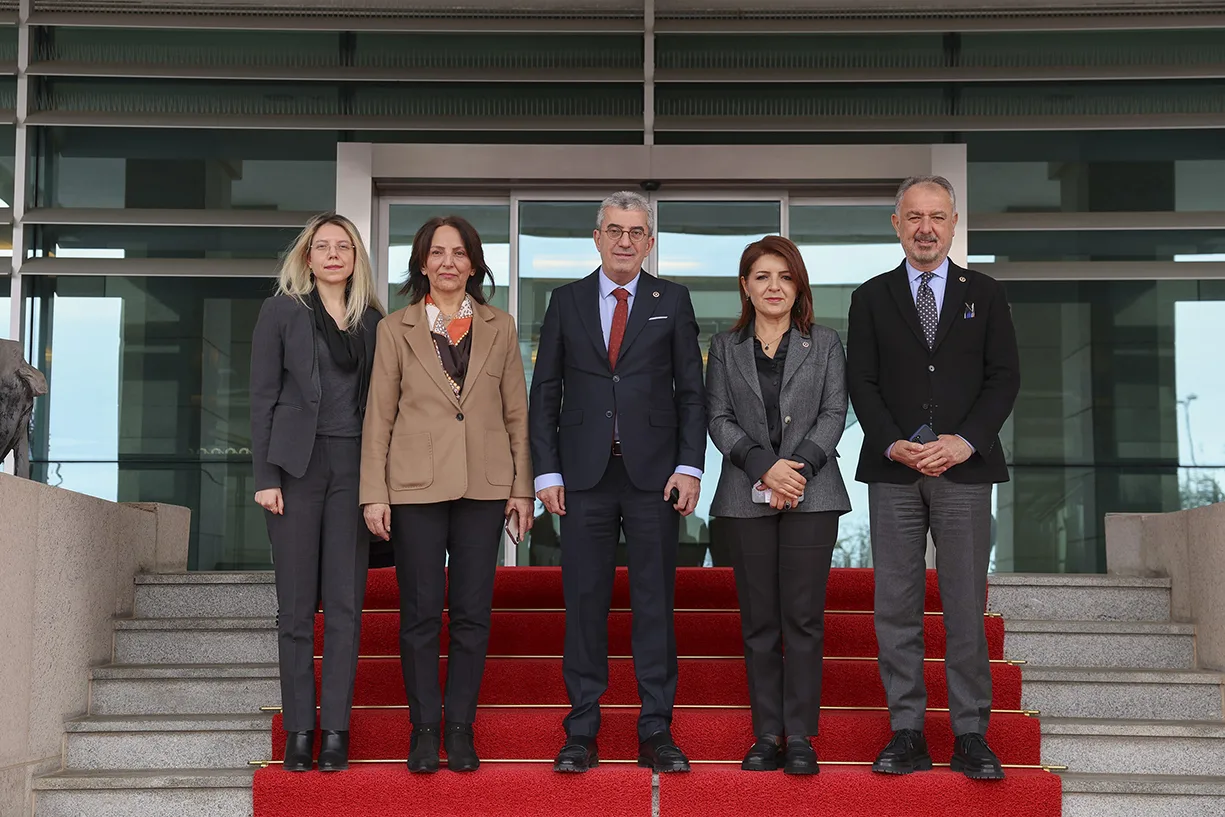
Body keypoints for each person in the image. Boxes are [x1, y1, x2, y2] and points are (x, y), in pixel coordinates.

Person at [846, 176, 1020, 780]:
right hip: (893, 469)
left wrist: (964, 442)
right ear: (897, 225)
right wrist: (890, 440)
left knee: (965, 603)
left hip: (964, 469)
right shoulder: (870, 297)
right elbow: (861, 380)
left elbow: (1004, 378)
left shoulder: (986, 294)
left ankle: (971, 734)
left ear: (953, 224)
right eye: (914, 217)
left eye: (937, 217)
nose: (926, 228)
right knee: (895, 605)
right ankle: (908, 731)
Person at [529, 191, 706, 774]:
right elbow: (545, 392)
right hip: (583, 477)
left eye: (635, 232)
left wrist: (690, 465)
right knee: (585, 603)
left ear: (649, 242)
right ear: (597, 237)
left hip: (655, 478)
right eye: (614, 230)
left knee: (654, 603)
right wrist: (546, 470)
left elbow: (691, 392)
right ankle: (582, 729)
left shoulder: (672, 300)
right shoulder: (566, 301)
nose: (624, 241)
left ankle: (656, 727)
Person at [360, 215, 534, 774]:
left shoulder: (500, 326)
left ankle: (460, 728)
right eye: (438, 252)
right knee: (418, 612)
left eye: (459, 253)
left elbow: (516, 412)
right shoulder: (396, 329)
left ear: (474, 264)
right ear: (421, 262)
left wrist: (522, 488)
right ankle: (423, 729)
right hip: (414, 486)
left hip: (485, 484)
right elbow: (379, 417)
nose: (448, 262)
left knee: (471, 613)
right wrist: (374, 492)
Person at [706, 235, 852, 775]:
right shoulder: (725, 347)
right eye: (763, 276)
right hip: (745, 496)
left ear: (799, 286)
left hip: (814, 495)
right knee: (760, 620)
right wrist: (763, 466)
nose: (774, 287)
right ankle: (767, 734)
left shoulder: (826, 343)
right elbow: (717, 417)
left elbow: (835, 412)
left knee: (803, 618)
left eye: (785, 277)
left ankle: (802, 736)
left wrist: (798, 469)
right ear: (745, 286)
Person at [249, 212, 385, 773]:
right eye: (322, 246)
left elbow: (384, 404)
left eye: (343, 246)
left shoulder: (373, 320)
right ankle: (299, 731)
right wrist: (265, 476)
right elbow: (262, 396)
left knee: (346, 607)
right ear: (308, 257)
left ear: (355, 258)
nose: (333, 254)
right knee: (297, 609)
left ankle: (336, 732)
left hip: (354, 467)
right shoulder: (282, 311)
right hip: (295, 469)